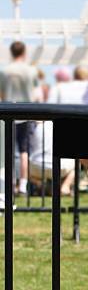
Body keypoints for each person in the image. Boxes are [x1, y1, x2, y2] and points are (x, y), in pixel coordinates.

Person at [0, 40, 38, 195]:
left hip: (8, 112)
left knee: (7, 150)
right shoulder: (31, 70)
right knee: (24, 150)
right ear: (24, 52)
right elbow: (34, 93)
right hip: (27, 111)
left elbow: (1, 93)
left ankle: (8, 182)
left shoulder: (5, 71)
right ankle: (23, 183)